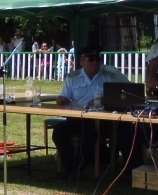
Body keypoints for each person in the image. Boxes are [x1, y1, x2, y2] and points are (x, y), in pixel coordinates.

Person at [52, 45, 133, 176]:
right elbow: (64, 97)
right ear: (82, 61)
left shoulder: (109, 77)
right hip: (77, 118)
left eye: (97, 59)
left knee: (88, 131)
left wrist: (102, 100)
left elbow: (118, 99)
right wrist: (61, 100)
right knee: (59, 131)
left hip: (101, 120)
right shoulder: (72, 77)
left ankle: (78, 168)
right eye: (91, 59)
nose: (95, 62)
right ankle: (69, 165)